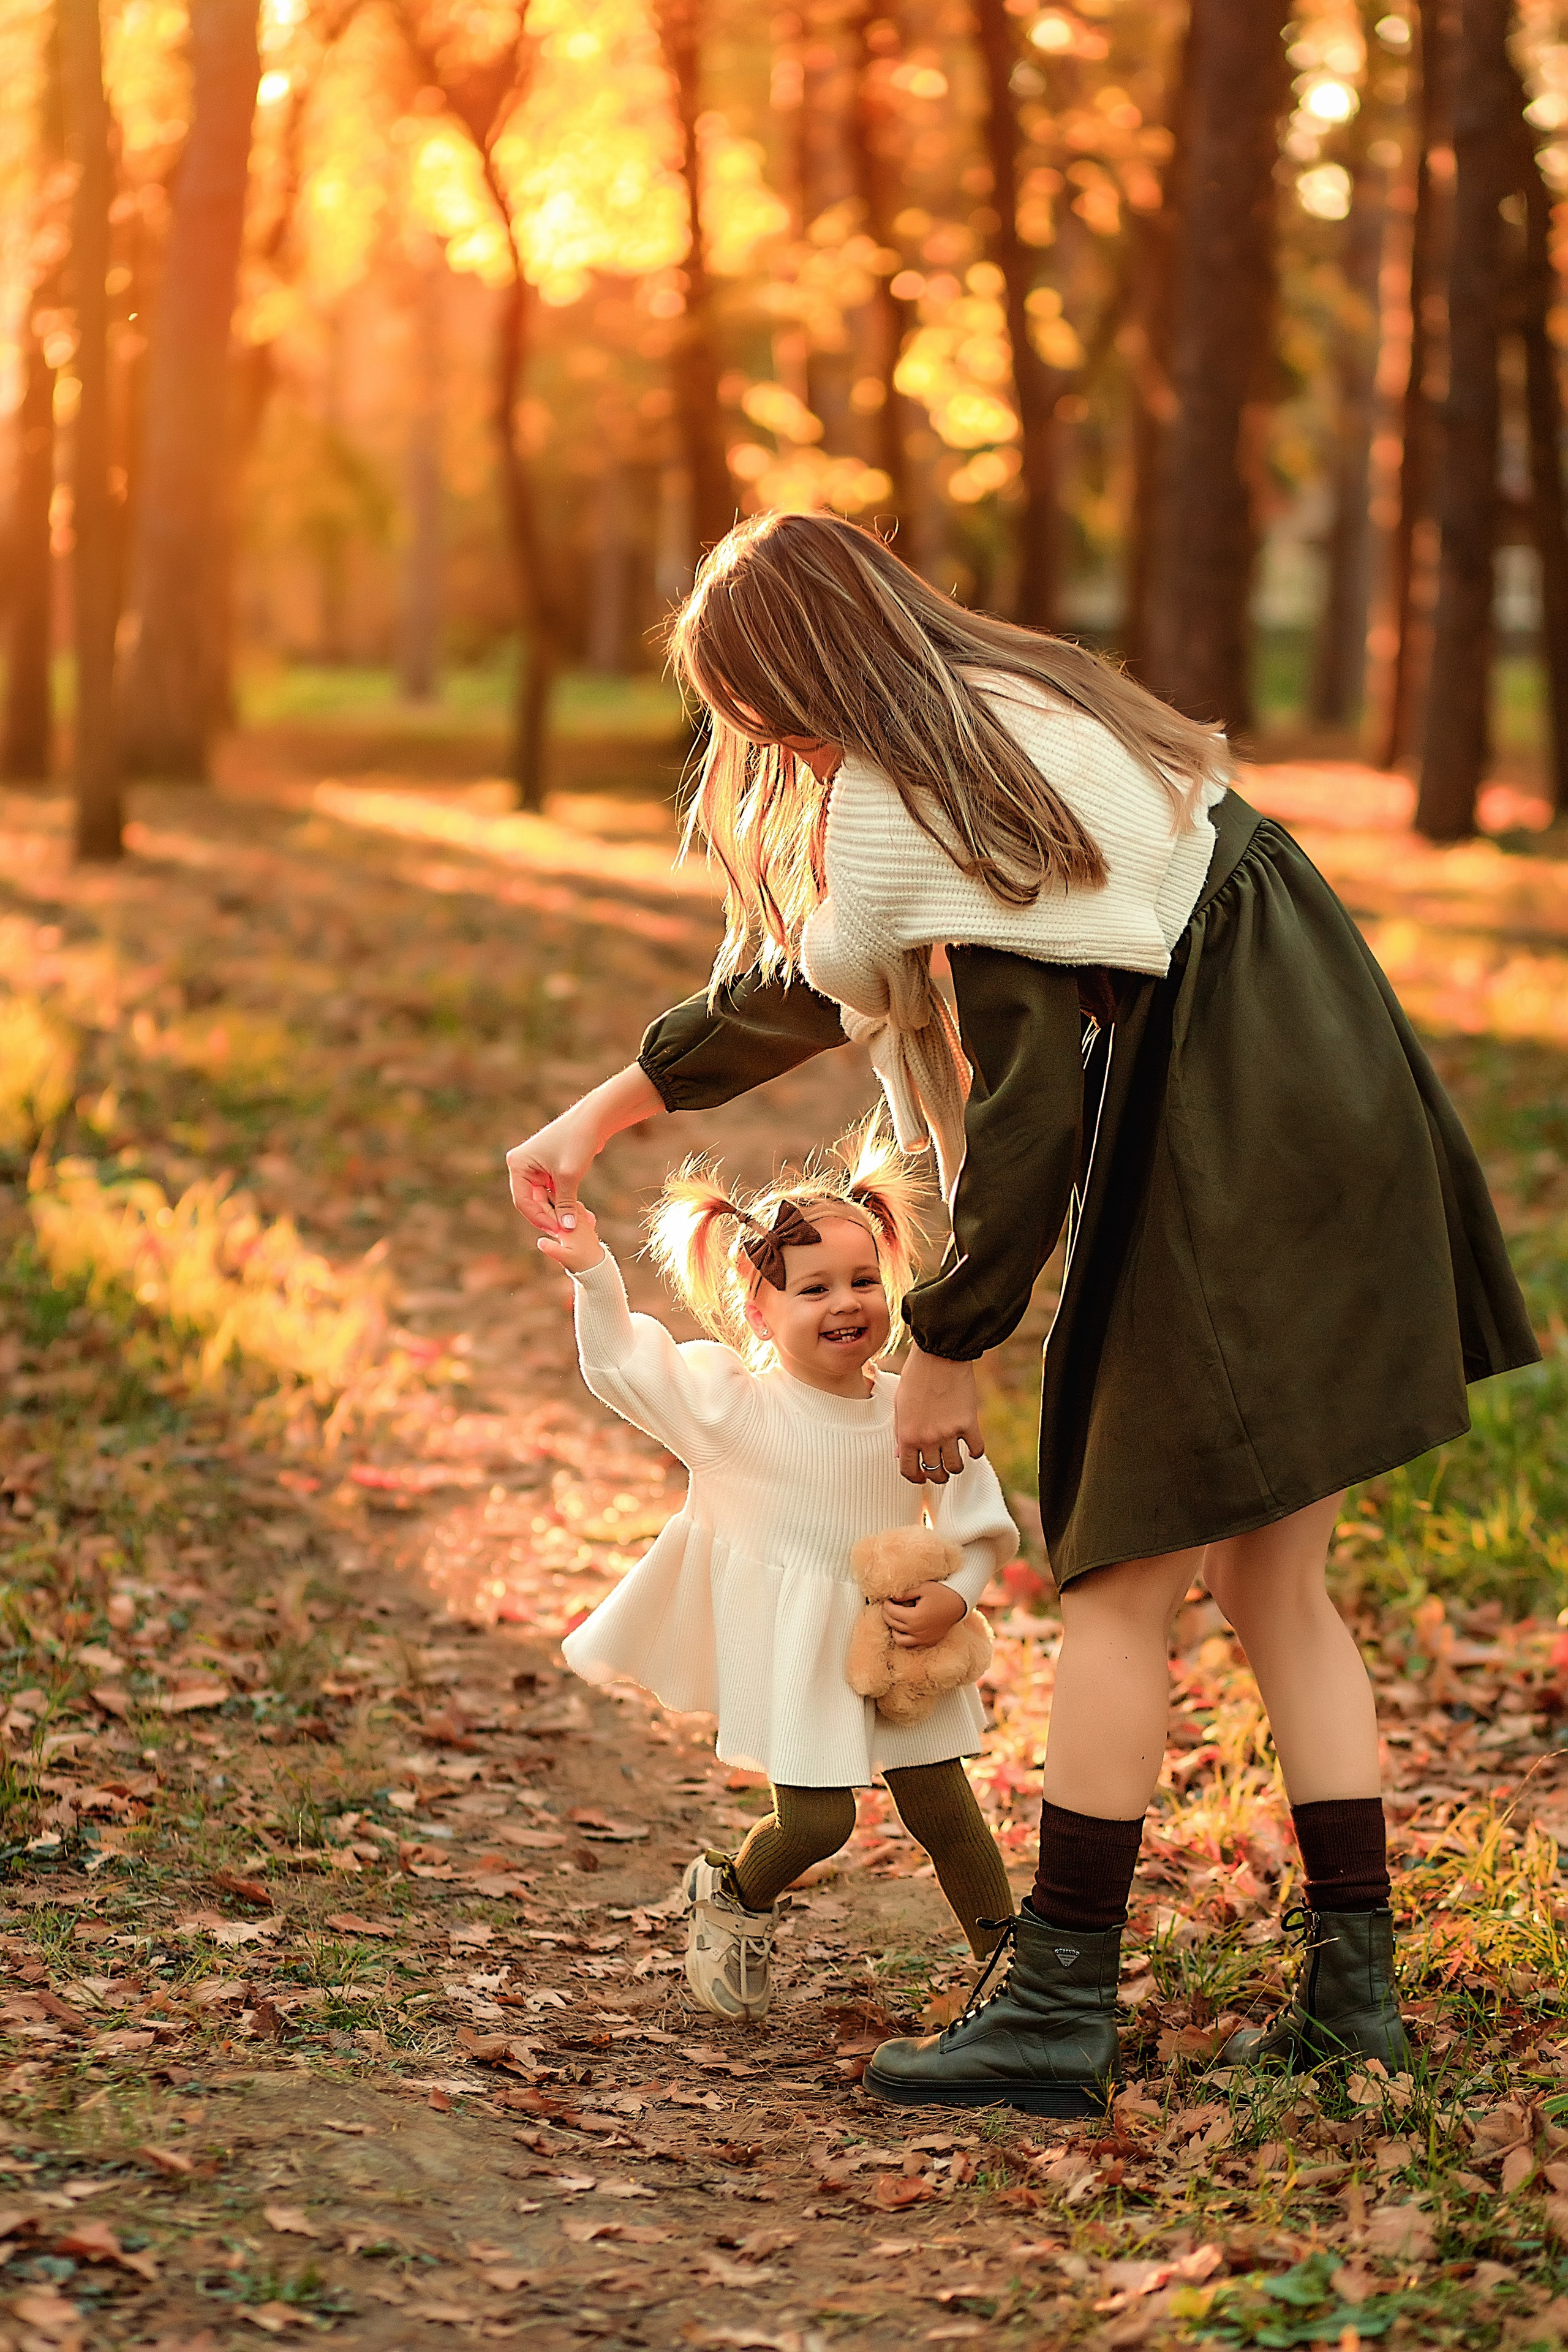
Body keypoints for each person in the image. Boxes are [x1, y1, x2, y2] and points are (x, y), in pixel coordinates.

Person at [508, 511, 1539, 2113]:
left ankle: (1057, 2005)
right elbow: (815, 982)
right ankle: (1355, 2001)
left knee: (1120, 1579)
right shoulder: (1006, 712)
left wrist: (946, 1341)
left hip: (1221, 1120)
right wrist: (599, 1115)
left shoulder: (920, 786)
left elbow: (1031, 1105)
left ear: (805, 676)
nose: (776, 751)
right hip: (1329, 1076)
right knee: (1278, 1586)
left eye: (767, 714)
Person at [539, 1123, 1020, 2029]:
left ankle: (1015, 1972)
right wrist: (593, 1272)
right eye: (814, 1289)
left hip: (902, 1639)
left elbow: (979, 1521)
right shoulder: (733, 1410)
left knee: (947, 1808)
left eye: (864, 1280)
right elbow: (622, 1366)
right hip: (797, 1646)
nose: (847, 1303)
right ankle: (734, 1890)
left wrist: (957, 1596)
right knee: (818, 1824)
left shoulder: (912, 1407)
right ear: (759, 1312)